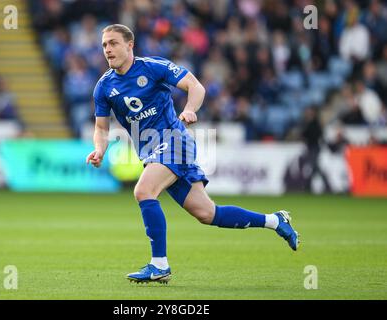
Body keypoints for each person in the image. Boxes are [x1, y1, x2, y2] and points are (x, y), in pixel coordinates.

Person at [86, 24, 300, 284]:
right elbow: (101, 128)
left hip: (174, 141)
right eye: (104, 44)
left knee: (143, 191)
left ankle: (159, 265)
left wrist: (189, 109)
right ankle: (275, 221)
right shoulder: (104, 87)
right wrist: (99, 149)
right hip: (153, 151)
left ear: (130, 45)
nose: (108, 49)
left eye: (113, 43)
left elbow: (195, 86)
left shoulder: (153, 67)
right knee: (208, 214)